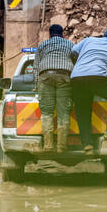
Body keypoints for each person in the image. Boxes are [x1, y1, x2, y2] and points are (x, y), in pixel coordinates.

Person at [33, 24, 75, 152]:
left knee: (46, 112)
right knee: (63, 113)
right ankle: (62, 146)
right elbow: (76, 63)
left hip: (46, 77)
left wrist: (36, 85)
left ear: (49, 34)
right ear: (62, 34)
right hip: (65, 77)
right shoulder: (71, 45)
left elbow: (36, 67)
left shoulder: (42, 45)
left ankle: (48, 146)